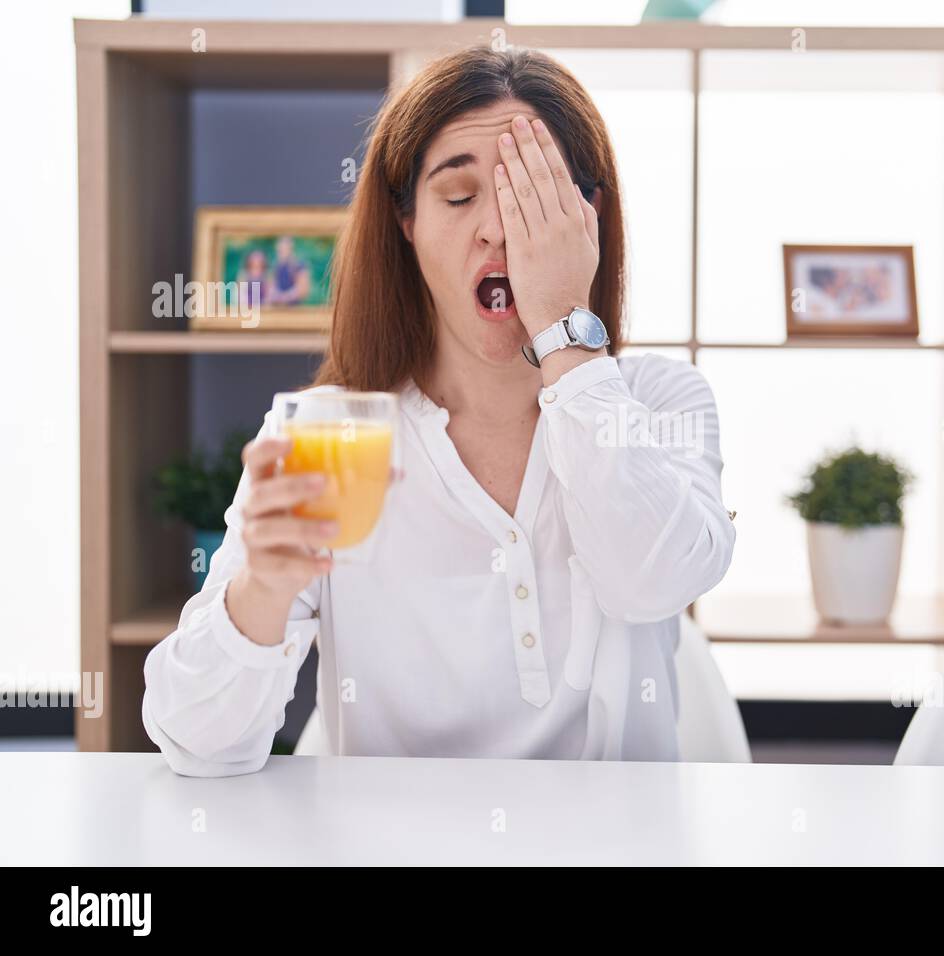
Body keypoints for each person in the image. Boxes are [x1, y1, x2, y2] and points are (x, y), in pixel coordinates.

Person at [142, 45, 737, 776]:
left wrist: (564, 330)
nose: (497, 230)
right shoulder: (330, 432)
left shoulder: (660, 403)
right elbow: (195, 745)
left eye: (532, 198)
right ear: (407, 224)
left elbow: (651, 583)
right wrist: (261, 592)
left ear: (590, 218)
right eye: (458, 198)